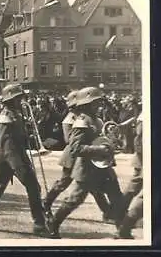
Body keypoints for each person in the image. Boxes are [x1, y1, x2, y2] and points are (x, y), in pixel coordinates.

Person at [0, 84, 53, 237]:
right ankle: (38, 223)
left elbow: (18, 136)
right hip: (10, 158)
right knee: (31, 187)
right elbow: (7, 144)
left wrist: (28, 134)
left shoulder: (15, 114)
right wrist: (18, 164)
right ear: (10, 100)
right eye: (18, 98)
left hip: (16, 157)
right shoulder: (6, 116)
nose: (21, 100)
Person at [48, 87, 124, 238]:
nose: (99, 105)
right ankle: (54, 223)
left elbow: (100, 140)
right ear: (86, 104)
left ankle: (122, 230)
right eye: (96, 102)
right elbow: (75, 148)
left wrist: (111, 144)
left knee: (116, 196)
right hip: (87, 169)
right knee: (75, 200)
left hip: (103, 167)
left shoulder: (98, 120)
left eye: (99, 102)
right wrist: (100, 149)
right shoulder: (81, 122)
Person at [43, 90, 112, 220]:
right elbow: (69, 140)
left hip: (84, 155)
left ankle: (107, 211)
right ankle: (46, 203)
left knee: (93, 185)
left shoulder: (87, 117)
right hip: (72, 156)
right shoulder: (70, 119)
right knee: (64, 183)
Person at [116, 111, 143, 239]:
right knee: (142, 196)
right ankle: (124, 224)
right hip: (145, 160)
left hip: (143, 160)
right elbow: (140, 140)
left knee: (133, 190)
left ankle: (119, 215)